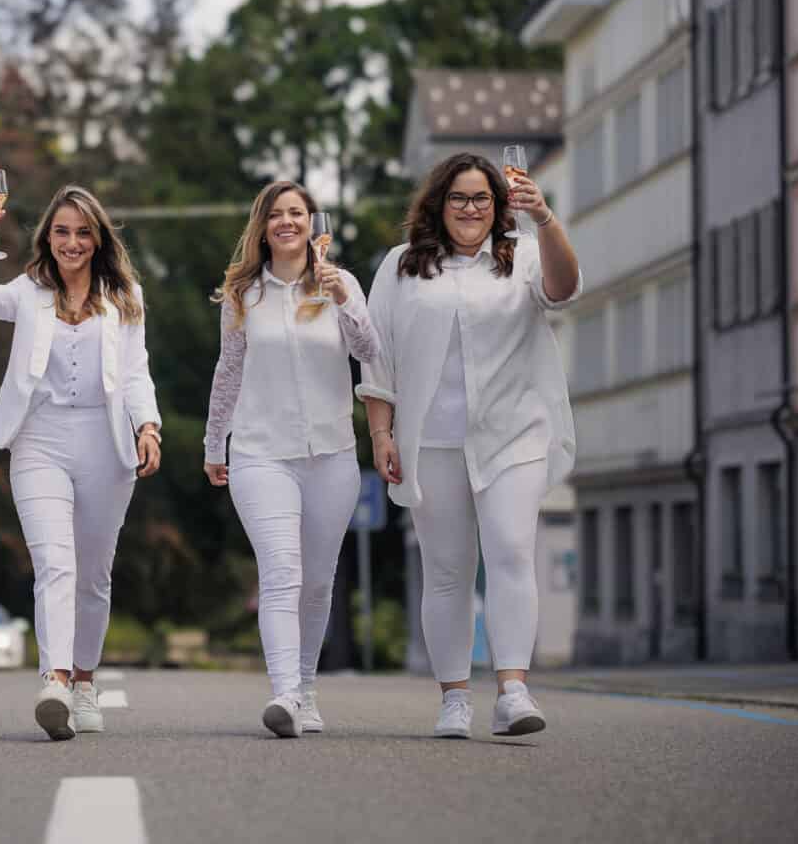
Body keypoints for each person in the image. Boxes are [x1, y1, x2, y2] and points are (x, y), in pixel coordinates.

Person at [357, 151, 581, 739]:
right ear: (439, 203)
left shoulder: (523, 254)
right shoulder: (401, 266)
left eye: (482, 197)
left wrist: (545, 219)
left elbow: (564, 289)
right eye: (458, 197)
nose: (470, 208)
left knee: (511, 551)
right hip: (432, 439)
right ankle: (454, 697)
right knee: (447, 570)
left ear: (497, 204)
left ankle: (513, 691)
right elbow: (377, 357)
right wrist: (381, 432)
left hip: (514, 433)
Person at [0, 185, 161, 740]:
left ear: (98, 239)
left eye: (82, 232)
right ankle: (54, 680)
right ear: (47, 237)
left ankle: (85, 682)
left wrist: (148, 426)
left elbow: (137, 371)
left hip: (105, 440)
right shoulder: (29, 290)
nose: (72, 242)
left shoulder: (125, 296)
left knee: (93, 574)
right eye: (62, 232)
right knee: (54, 562)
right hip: (39, 438)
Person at [204, 180, 380, 738]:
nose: (287, 222)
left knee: (318, 581)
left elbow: (370, 352)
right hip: (260, 453)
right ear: (262, 227)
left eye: (297, 213)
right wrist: (213, 443)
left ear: (312, 223)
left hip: (332, 454)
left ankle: (305, 688)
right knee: (281, 572)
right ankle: (283, 694)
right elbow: (228, 371)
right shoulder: (243, 294)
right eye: (276, 214)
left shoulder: (341, 284)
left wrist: (344, 299)